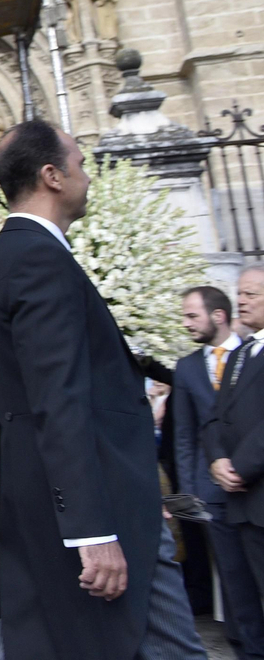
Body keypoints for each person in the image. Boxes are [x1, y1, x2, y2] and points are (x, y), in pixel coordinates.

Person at [0, 120, 204, 660]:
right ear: (52, 175)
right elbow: (58, 401)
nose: (88, 177)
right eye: (81, 164)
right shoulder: (38, 260)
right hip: (92, 502)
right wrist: (92, 530)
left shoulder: (7, 256)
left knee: (50, 633)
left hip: (72, 491)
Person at [172, 285, 264, 659]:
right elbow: (192, 430)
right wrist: (197, 484)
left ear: (218, 316)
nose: (186, 323)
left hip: (254, 482)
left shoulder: (244, 355)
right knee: (235, 581)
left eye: (250, 293)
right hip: (214, 490)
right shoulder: (193, 366)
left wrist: (241, 465)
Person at [207, 265, 264, 642]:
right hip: (241, 502)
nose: (241, 301)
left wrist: (241, 466)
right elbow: (215, 418)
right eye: (239, 293)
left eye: (251, 294)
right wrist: (217, 460)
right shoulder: (241, 354)